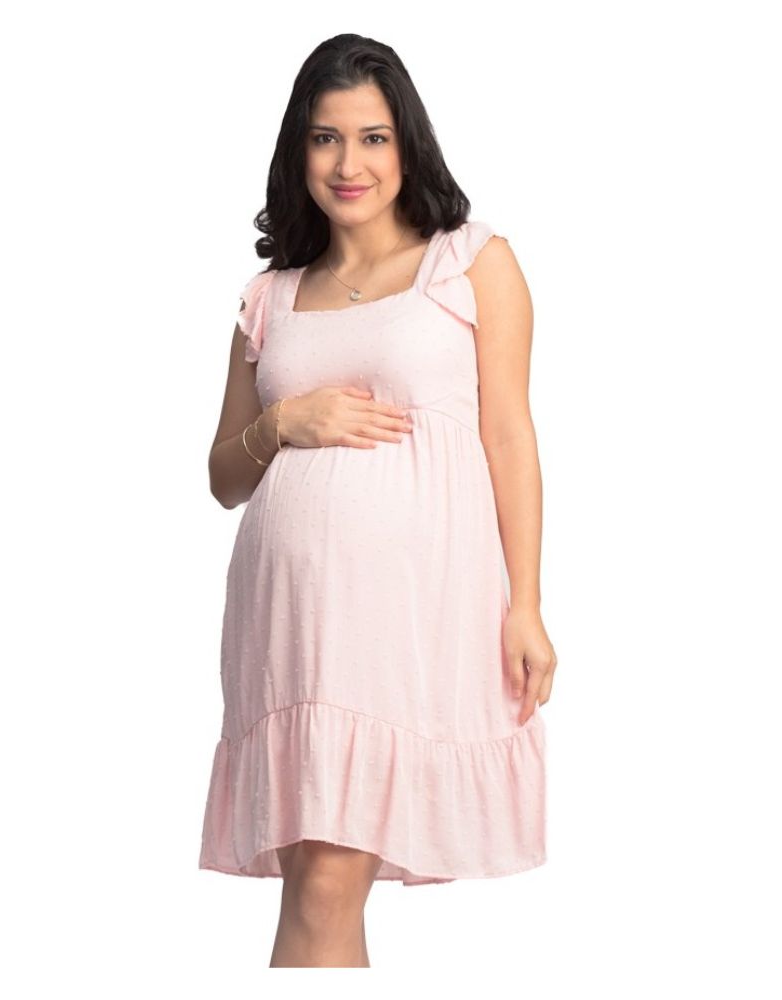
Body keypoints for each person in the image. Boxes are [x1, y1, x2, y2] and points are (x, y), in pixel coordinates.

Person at [198, 33, 558, 968]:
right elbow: (224, 477)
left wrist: (525, 603)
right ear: (298, 150)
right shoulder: (270, 297)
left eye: (372, 138)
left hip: (408, 613)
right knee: (316, 879)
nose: (348, 164)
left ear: (408, 146)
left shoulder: (471, 262)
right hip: (289, 622)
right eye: (325, 139)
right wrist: (285, 422)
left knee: (326, 877)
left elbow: (509, 437)